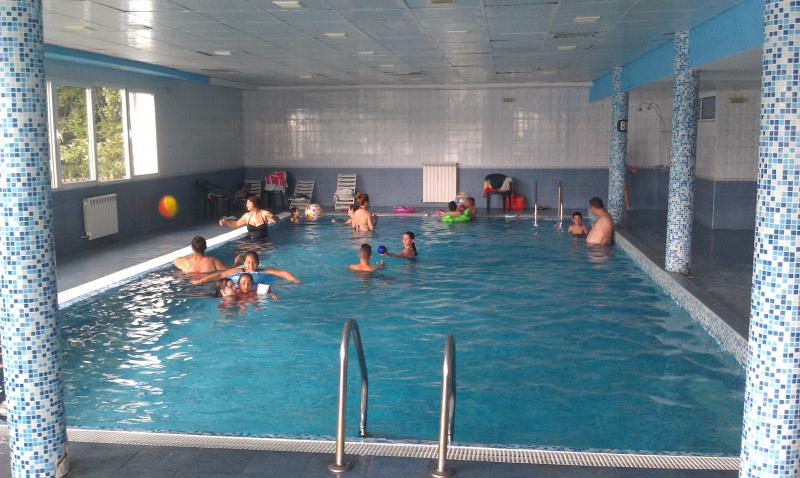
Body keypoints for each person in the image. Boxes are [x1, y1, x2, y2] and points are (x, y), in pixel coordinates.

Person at [193, 250, 300, 285]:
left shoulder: (262, 271)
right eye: (248, 263)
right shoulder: (239, 271)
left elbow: (282, 273)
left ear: (258, 264)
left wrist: (294, 280)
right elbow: (220, 275)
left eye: (253, 263)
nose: (251, 265)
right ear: (244, 263)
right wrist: (202, 280)